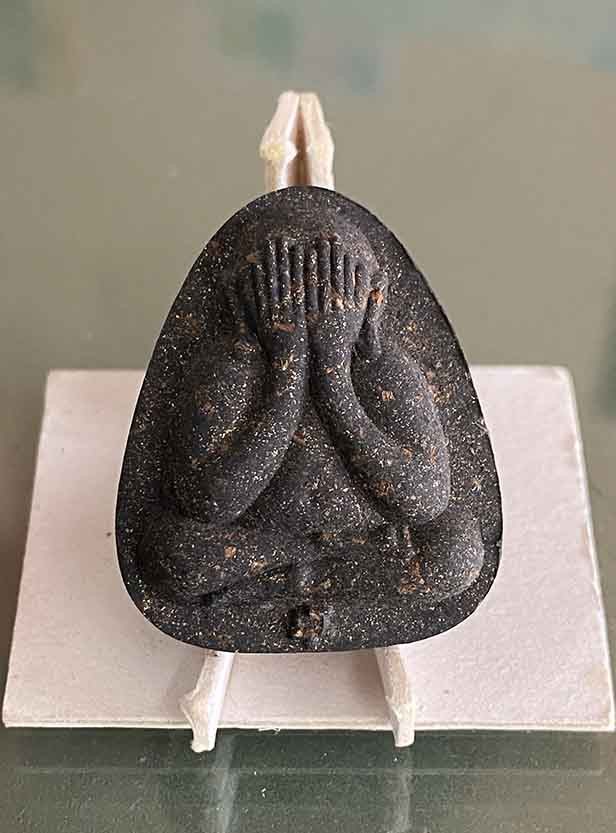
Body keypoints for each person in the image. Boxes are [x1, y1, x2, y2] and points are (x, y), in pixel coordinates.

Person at [139, 229, 483, 647]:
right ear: (243, 302)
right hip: (269, 541)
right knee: (170, 553)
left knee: (456, 551)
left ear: (373, 302)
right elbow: (207, 501)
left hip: (365, 539)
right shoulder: (232, 365)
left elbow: (425, 498)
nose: (309, 313)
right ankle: (307, 571)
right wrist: (287, 369)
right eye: (284, 293)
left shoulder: (381, 366)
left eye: (334, 292)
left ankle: (278, 584)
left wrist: (333, 375)